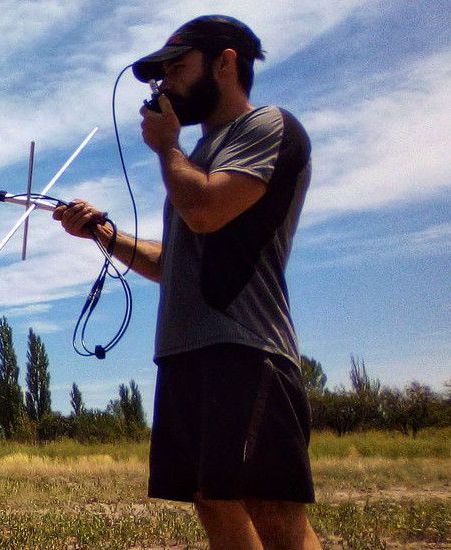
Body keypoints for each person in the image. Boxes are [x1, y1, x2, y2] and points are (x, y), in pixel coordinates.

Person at [54, 15, 322, 550]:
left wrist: (167, 149)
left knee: (270, 503)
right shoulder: (195, 157)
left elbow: (203, 211)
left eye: (177, 67)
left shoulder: (268, 127)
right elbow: (173, 259)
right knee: (211, 499)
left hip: (246, 347)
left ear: (225, 62)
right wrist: (104, 234)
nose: (163, 84)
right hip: (184, 351)